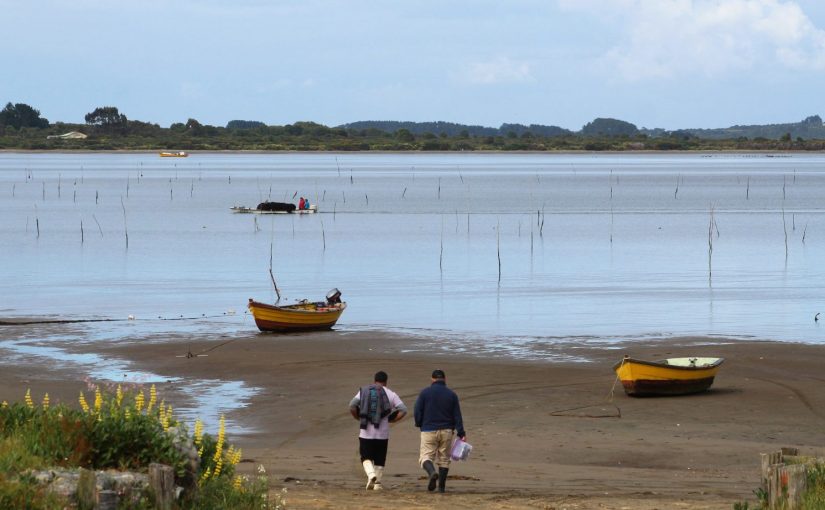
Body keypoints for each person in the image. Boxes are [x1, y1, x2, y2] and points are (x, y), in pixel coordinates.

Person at [349, 371, 407, 490]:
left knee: (365, 457)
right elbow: (403, 409)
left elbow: (352, 405)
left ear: (374, 380)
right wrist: (393, 420)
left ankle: (371, 475)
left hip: (366, 433)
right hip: (382, 434)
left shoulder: (364, 391)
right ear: (386, 381)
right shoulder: (391, 394)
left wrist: (357, 417)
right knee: (380, 460)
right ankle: (377, 485)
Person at [414, 369, 466, 493]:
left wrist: (419, 424)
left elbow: (417, 411)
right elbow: (457, 415)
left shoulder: (424, 393)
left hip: (428, 429)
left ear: (432, 379)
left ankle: (432, 473)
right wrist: (461, 433)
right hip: (447, 430)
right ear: (445, 379)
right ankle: (441, 488)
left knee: (425, 456)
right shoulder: (452, 394)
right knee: (444, 459)